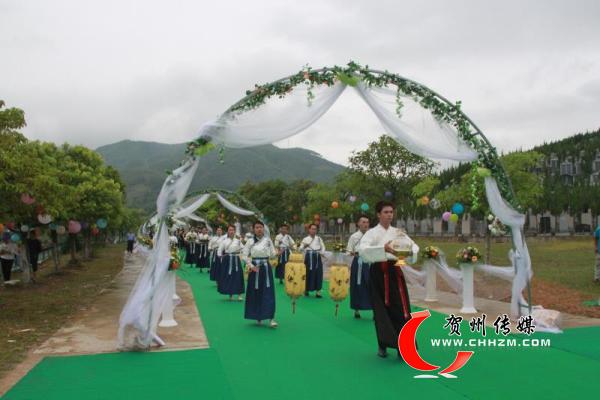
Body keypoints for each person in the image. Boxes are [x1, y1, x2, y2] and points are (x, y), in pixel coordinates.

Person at [357, 200, 419, 360]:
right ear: (378, 214)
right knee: (380, 310)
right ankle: (383, 344)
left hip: (394, 273)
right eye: (385, 212)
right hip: (378, 273)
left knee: (401, 308)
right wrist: (382, 248)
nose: (389, 215)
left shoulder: (398, 232)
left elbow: (413, 246)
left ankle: (403, 346)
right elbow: (362, 250)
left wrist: (409, 252)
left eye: (391, 212)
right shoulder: (371, 233)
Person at [242, 221, 278, 327]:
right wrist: (251, 266)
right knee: (255, 292)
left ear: (263, 229)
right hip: (255, 269)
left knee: (268, 292)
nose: (259, 229)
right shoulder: (249, 241)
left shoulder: (268, 241)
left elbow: (272, 254)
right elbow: (244, 256)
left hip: (266, 268)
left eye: (261, 227)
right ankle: (257, 316)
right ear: (253, 229)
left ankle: (271, 318)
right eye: (257, 227)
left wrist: (277, 253)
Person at [347, 215, 372, 318]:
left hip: (369, 262)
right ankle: (357, 309)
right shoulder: (354, 237)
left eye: (367, 222)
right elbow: (348, 250)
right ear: (358, 224)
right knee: (357, 284)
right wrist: (353, 253)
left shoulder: (371, 236)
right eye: (363, 222)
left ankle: (374, 309)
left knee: (371, 285)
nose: (365, 224)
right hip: (358, 262)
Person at [218, 225, 245, 301]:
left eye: (233, 230)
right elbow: (219, 251)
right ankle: (230, 294)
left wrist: (242, 253)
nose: (231, 231)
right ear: (228, 231)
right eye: (230, 230)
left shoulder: (238, 241)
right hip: (227, 260)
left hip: (236, 259)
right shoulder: (224, 241)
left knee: (238, 276)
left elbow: (244, 249)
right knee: (229, 276)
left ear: (235, 231)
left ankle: (239, 295)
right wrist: (221, 257)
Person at [299, 223, 326, 298]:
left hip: (317, 257)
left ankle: (318, 291)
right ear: (309, 230)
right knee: (308, 273)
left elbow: (323, 247)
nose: (314, 231)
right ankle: (306, 290)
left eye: (315, 229)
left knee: (318, 273)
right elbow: (300, 249)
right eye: (312, 229)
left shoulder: (319, 238)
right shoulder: (305, 239)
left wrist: (321, 252)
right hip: (309, 257)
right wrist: (304, 246)